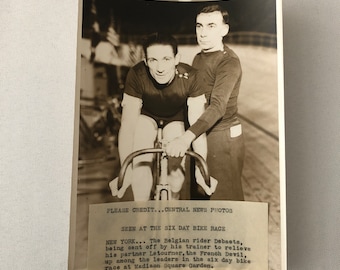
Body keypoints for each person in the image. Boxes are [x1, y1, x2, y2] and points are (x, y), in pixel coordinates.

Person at [109, 33, 217, 201]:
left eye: (166, 59)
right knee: (139, 171)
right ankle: (142, 217)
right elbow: (128, 125)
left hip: (176, 118)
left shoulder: (192, 77)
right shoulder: (137, 74)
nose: (160, 68)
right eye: (153, 60)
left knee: (176, 177)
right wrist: (126, 170)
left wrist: (200, 171)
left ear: (176, 59)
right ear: (146, 62)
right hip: (146, 116)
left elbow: (198, 127)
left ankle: (171, 210)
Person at [166, 4, 245, 201]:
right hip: (199, 135)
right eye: (199, 26)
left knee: (224, 203)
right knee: (199, 197)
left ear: (224, 30)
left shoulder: (229, 62)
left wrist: (186, 138)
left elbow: (217, 107)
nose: (202, 33)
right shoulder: (198, 58)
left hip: (222, 138)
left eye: (211, 26)